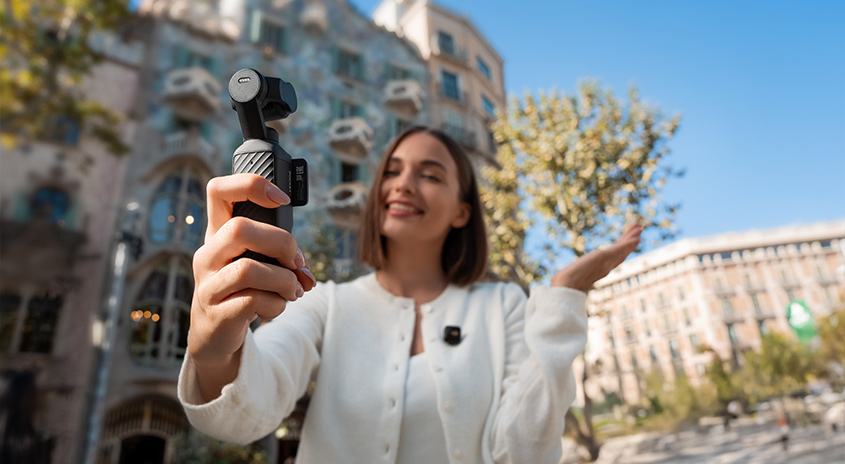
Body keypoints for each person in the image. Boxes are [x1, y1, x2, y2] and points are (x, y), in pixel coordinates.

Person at [178, 126, 643, 464]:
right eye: (392, 171)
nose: (402, 184)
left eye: (430, 175)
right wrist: (214, 348)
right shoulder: (326, 304)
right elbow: (241, 417)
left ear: (462, 212)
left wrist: (563, 299)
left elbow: (523, 453)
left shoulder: (503, 305)